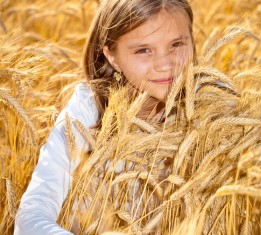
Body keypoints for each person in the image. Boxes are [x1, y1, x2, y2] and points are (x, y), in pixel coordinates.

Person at [14, 0, 196, 234]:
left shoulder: (212, 99)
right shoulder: (88, 108)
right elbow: (30, 218)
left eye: (176, 44)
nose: (165, 64)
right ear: (112, 56)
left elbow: (256, 175)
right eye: (143, 50)